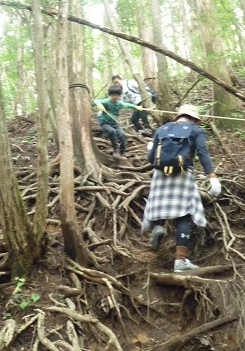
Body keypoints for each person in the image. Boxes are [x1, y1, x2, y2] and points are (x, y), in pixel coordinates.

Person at [141, 104, 222, 272]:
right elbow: (203, 153)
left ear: (179, 116)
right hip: (183, 175)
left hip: (160, 175)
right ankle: (180, 261)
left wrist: (150, 148)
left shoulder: (162, 129)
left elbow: (151, 159)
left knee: (161, 206)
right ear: (194, 118)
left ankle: (158, 227)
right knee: (184, 215)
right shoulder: (195, 130)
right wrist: (212, 177)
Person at [94, 85, 143, 159]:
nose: (114, 97)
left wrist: (136, 107)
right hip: (104, 122)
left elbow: (127, 105)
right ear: (110, 95)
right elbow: (96, 100)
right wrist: (100, 105)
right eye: (113, 95)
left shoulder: (119, 104)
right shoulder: (106, 101)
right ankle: (116, 149)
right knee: (112, 131)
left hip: (115, 123)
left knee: (122, 135)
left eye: (116, 95)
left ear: (119, 96)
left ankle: (122, 151)